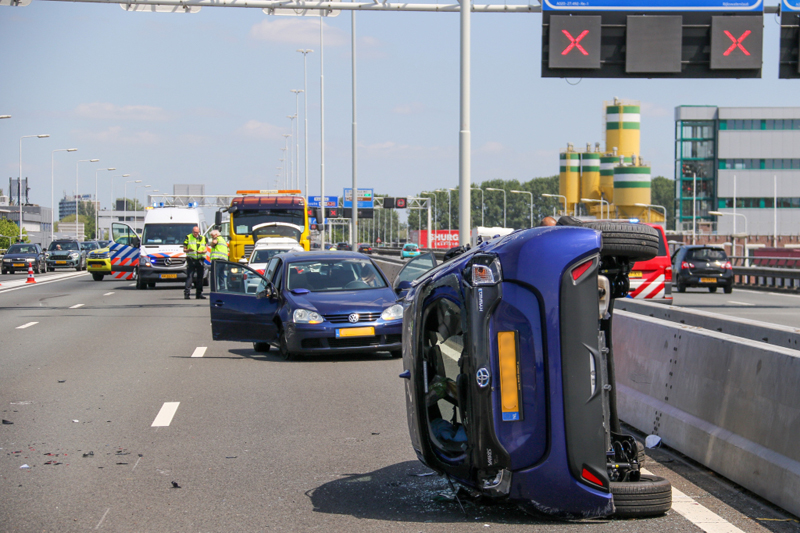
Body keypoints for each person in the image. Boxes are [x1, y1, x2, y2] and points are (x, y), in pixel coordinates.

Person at [183, 226, 207, 300]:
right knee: (190, 277)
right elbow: (184, 249)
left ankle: (199, 294)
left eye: (196, 232)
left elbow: (206, 249)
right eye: (194, 232)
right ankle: (187, 294)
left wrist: (202, 252)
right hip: (191, 259)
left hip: (200, 259)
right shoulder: (188, 237)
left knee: (200, 277)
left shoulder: (203, 238)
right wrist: (188, 250)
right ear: (192, 231)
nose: (195, 233)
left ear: (199, 232)